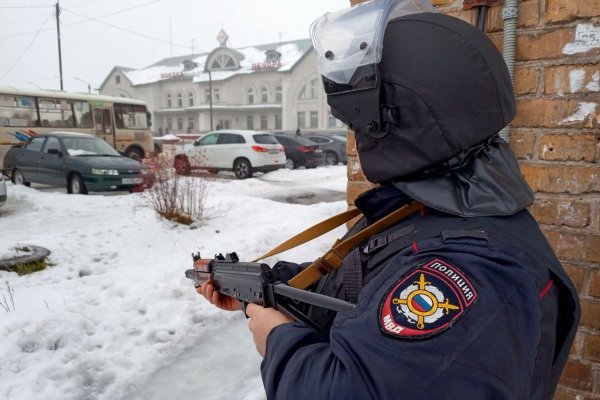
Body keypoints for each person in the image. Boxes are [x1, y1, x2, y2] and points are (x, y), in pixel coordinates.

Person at [198, 0, 580, 399]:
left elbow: (345, 390)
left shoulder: (472, 270)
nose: (356, 137)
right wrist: (262, 288)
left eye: (357, 126)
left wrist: (275, 337)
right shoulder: (433, 207)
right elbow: (358, 284)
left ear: (389, 127)